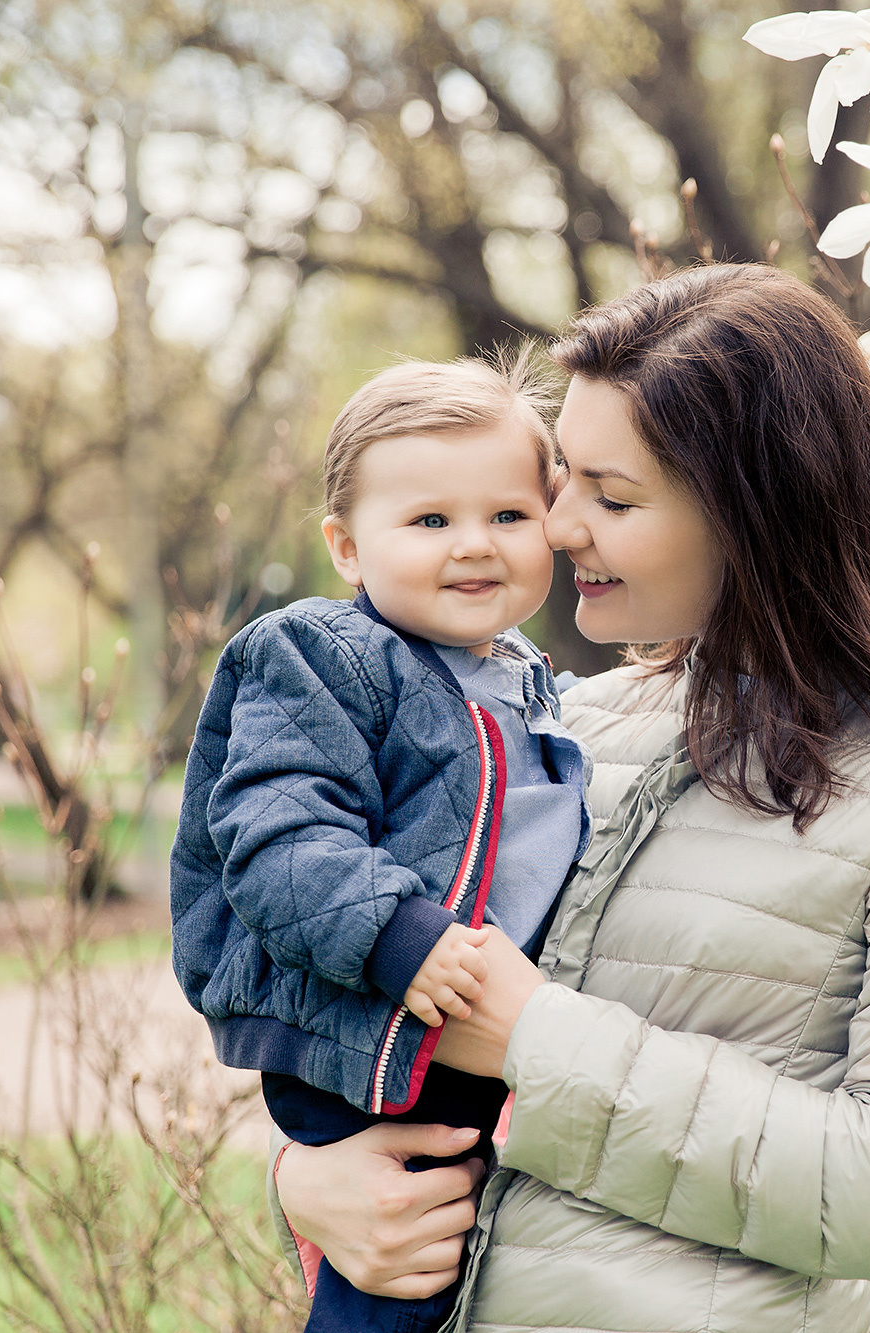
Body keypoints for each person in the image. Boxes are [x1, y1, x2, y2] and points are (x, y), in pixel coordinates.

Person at [270, 263, 870, 1332]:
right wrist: (305, 1178)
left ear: (758, 512)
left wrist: (535, 1037)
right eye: (563, 477)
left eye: (612, 497)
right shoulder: (564, 723)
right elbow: (371, 1023)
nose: (557, 525)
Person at [169, 356, 592, 1333]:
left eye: (508, 516)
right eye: (429, 521)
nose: (473, 546)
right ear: (347, 547)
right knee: (396, 1280)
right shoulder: (324, 658)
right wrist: (399, 937)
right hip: (375, 1036)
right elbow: (277, 834)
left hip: (469, 1047)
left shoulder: (528, 683)